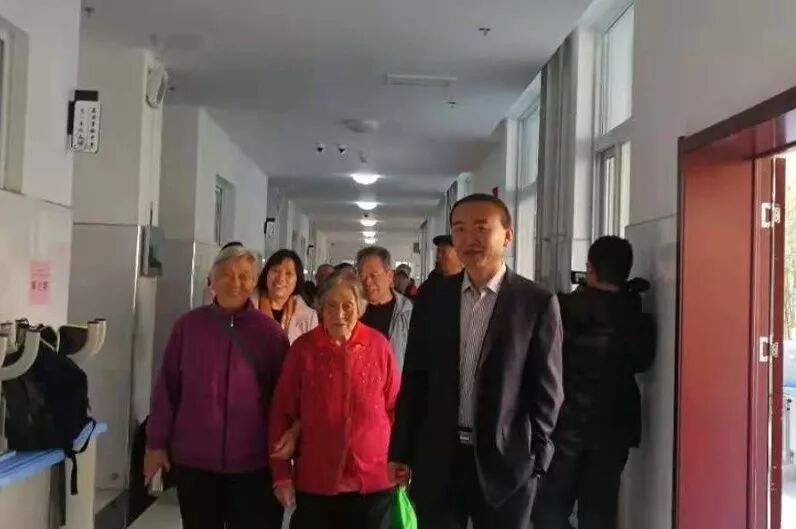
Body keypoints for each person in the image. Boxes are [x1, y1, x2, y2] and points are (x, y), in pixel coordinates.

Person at [388, 193, 564, 529]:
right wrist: (401, 451)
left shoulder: (536, 302)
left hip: (507, 464)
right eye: (460, 229)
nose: (469, 238)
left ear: (507, 236)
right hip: (439, 458)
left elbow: (548, 390)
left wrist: (538, 459)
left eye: (481, 228)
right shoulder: (434, 297)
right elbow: (415, 379)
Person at [145, 245, 288, 529]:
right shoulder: (188, 327)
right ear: (212, 280)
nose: (235, 283)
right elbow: (167, 389)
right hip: (196, 461)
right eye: (226, 275)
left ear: (254, 281)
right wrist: (156, 444)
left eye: (244, 276)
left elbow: (284, 399)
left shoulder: (270, 333)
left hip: (254, 463)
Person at [532, 237, 656, 529]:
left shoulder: (562, 308)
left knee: (549, 511)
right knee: (599, 514)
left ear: (590, 269)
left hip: (564, 426)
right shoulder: (637, 318)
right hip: (613, 430)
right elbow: (642, 362)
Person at [269, 271, 400, 529]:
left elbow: (396, 408)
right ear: (320, 308)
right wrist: (281, 476)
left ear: (360, 307)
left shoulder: (378, 346)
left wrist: (403, 464)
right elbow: (281, 412)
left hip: (374, 482)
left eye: (347, 306)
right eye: (331, 305)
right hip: (317, 481)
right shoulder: (304, 350)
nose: (339, 314)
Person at [356, 246, 413, 369]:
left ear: (390, 275)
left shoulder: (407, 312)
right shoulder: (352, 309)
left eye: (373, 275)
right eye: (362, 276)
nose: (367, 281)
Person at [257, 249, 319, 344]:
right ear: (266, 274)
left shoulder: (308, 317)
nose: (281, 278)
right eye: (276, 270)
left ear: (297, 279)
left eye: (288, 273)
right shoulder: (247, 306)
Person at [416, 234, 464, 300]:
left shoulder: (468, 283)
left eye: (443, 252)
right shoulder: (432, 282)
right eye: (438, 251)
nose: (438, 256)